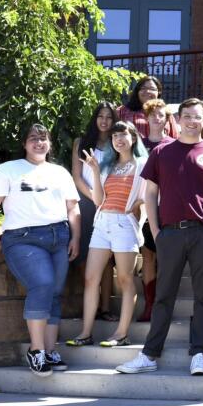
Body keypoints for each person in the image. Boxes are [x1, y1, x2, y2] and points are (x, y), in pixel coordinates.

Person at [115, 98, 203, 376]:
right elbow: (150, 194)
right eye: (187, 116)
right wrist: (156, 231)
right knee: (163, 296)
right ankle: (149, 354)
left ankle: (199, 353)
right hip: (170, 234)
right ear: (178, 119)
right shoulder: (162, 152)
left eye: (198, 117)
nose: (192, 121)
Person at [0, 123, 81, 376]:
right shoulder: (8, 170)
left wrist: (75, 237)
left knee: (54, 293)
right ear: (24, 143)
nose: (39, 143)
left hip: (59, 236)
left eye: (43, 139)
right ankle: (36, 350)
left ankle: (50, 351)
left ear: (50, 144)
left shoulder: (59, 172)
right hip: (23, 239)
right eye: (33, 138)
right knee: (42, 284)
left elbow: (73, 208)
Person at [66, 121, 148, 348]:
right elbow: (98, 200)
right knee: (91, 278)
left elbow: (153, 193)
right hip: (102, 223)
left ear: (133, 137)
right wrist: (93, 169)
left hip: (124, 224)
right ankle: (86, 332)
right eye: (114, 137)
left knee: (124, 279)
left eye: (123, 135)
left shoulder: (143, 164)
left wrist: (140, 201)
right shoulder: (107, 165)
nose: (118, 140)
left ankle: (121, 333)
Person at [70, 102, 115, 321]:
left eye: (109, 117)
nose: (104, 121)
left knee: (106, 259)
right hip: (86, 204)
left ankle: (105, 308)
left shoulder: (118, 143)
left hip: (111, 204)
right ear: (94, 118)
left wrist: (105, 200)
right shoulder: (81, 142)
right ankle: (88, 307)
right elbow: (76, 177)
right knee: (84, 258)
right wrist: (94, 199)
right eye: (101, 116)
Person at [136, 98, 175, 323]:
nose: (157, 118)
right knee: (148, 255)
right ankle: (150, 304)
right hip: (140, 206)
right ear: (147, 117)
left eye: (162, 115)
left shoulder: (174, 144)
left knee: (165, 256)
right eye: (154, 114)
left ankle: (162, 304)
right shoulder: (138, 144)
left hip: (165, 206)